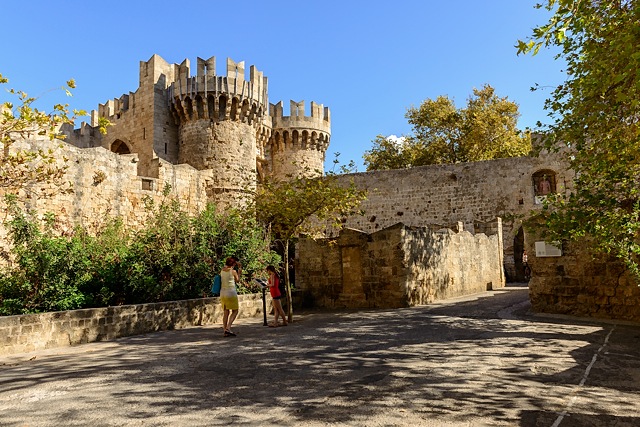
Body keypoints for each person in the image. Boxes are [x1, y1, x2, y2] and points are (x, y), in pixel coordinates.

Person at [220, 257, 240, 337]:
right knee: (235, 310)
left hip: (223, 293)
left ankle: (225, 330)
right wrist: (240, 271)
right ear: (233, 264)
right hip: (231, 292)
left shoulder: (222, 270)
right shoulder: (233, 271)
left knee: (226, 312)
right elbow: (237, 280)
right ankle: (228, 328)